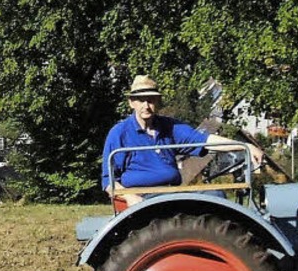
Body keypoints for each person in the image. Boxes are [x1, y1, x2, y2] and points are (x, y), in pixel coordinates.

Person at [101, 75, 264, 206]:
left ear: (158, 102)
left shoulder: (169, 126)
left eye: (151, 99)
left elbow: (204, 140)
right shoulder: (119, 133)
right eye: (141, 100)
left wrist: (244, 146)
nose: (146, 105)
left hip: (170, 193)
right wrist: (130, 197)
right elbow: (109, 182)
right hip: (142, 198)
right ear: (131, 103)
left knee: (216, 196)